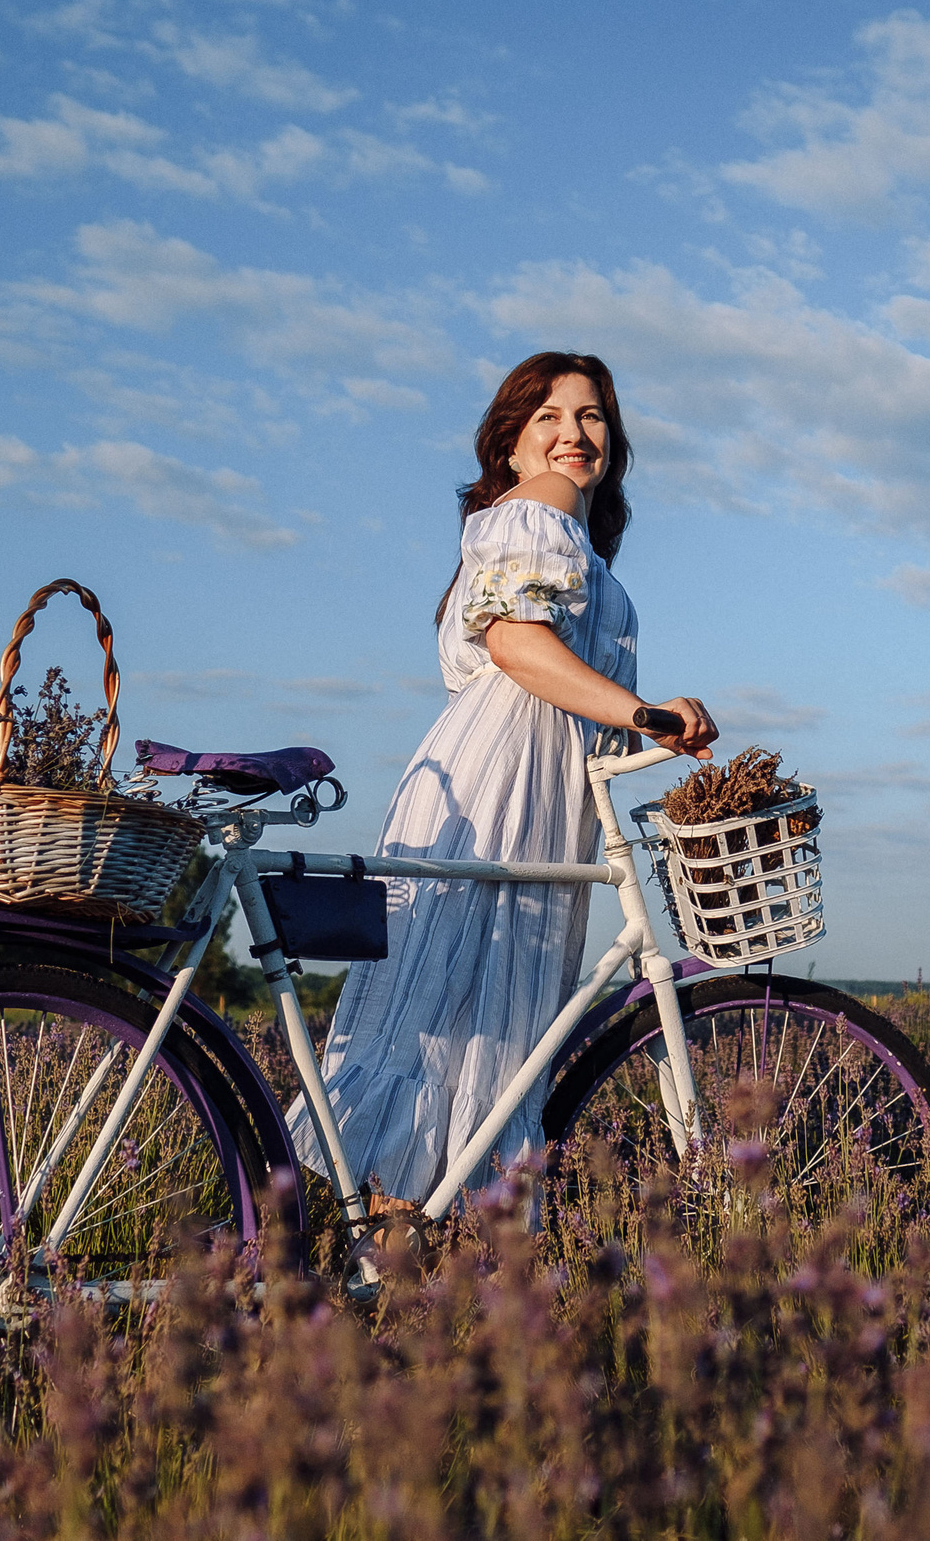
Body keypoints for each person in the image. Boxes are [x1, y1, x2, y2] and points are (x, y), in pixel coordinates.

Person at [285, 352, 719, 1230]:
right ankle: (397, 1242)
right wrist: (646, 715)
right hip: (502, 783)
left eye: (592, 416)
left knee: (462, 1014)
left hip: (532, 782)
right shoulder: (537, 510)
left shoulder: (558, 536)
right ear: (510, 444)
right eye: (548, 417)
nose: (573, 434)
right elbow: (521, 648)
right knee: (459, 1011)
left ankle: (386, 1251)